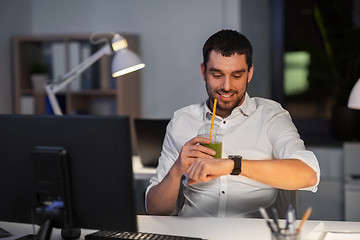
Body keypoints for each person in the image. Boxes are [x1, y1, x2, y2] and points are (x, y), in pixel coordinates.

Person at [145, 29, 320, 217]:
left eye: (236, 76)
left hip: (253, 234)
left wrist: (232, 165)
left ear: (249, 73)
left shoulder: (270, 116)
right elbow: (155, 210)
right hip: (194, 232)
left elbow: (308, 174)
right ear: (204, 72)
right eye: (217, 75)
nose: (226, 86)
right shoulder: (182, 120)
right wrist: (176, 170)